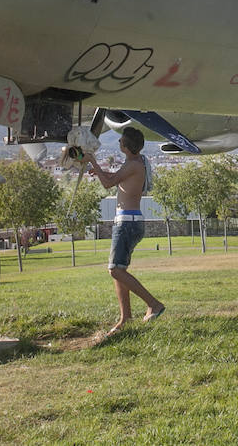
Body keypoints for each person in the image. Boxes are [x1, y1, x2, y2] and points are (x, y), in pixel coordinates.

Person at [82, 126, 165, 335]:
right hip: (127, 221)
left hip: (127, 222)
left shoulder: (133, 164)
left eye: (121, 141)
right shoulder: (134, 163)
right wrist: (100, 171)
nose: (118, 142)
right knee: (118, 271)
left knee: (115, 270)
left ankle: (153, 304)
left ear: (126, 146)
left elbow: (109, 184)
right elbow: (118, 178)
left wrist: (93, 162)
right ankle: (125, 318)